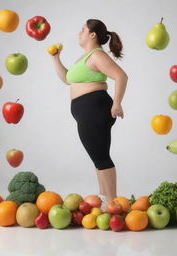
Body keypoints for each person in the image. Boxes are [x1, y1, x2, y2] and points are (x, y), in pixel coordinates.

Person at [50, 19, 128, 207]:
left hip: (96, 109)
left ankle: (113, 204)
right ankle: (105, 200)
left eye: (82, 30)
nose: (79, 33)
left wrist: (117, 103)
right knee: (97, 156)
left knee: (101, 157)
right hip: (86, 111)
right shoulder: (85, 58)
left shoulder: (97, 56)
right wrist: (56, 58)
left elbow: (121, 76)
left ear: (92, 35)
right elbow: (68, 80)